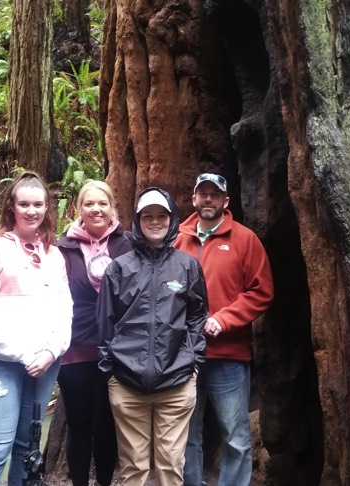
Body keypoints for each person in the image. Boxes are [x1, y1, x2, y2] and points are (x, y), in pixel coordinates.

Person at [96, 187, 208, 486]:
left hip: (177, 380)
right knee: (134, 467)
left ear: (172, 220)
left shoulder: (187, 266)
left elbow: (198, 314)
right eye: (148, 216)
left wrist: (193, 360)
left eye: (162, 215)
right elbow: (105, 322)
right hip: (127, 383)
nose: (155, 221)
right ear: (138, 220)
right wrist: (111, 369)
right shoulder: (119, 268)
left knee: (171, 465)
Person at [0, 172, 73, 485]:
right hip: (3, 364)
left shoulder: (54, 255)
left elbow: (64, 309)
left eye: (38, 204)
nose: (31, 211)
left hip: (46, 363)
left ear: (46, 209)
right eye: (24, 204)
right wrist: (24, 353)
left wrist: (51, 351)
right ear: (12, 207)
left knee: (26, 447)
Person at [175, 173, 274, 486]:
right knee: (186, 433)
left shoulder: (244, 240)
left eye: (214, 195)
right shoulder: (177, 238)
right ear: (194, 198)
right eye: (202, 194)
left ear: (225, 201)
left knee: (235, 435)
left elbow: (261, 291)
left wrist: (224, 318)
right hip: (184, 356)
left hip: (228, 355)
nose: (208, 200)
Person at [57, 180, 133, 485]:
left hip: (116, 351)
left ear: (112, 207)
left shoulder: (127, 245)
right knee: (79, 424)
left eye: (102, 203)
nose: (96, 209)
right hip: (75, 350)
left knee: (107, 424)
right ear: (79, 210)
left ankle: (104, 482)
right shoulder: (64, 249)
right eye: (89, 203)